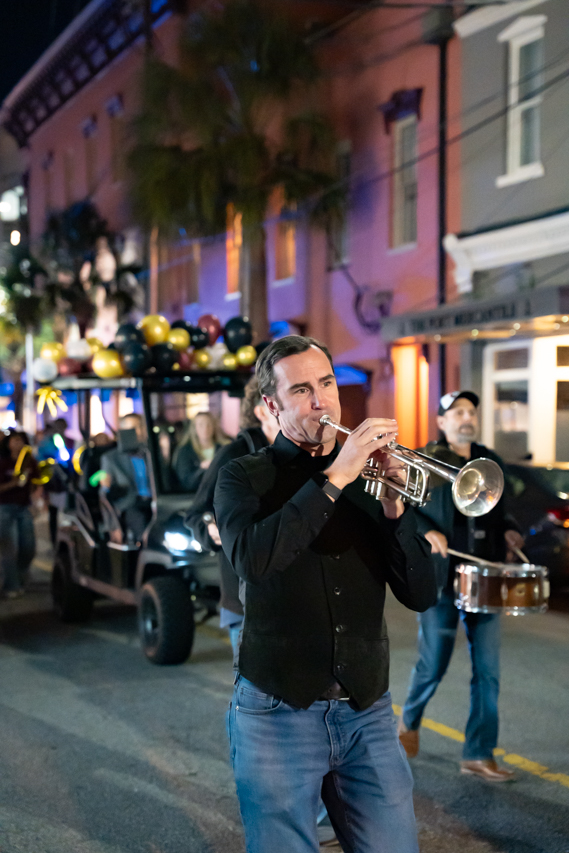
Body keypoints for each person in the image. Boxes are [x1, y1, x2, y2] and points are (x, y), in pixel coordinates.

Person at [214, 335, 436, 853]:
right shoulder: (242, 476)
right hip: (277, 710)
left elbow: (421, 594)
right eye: (302, 390)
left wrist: (395, 508)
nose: (321, 402)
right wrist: (336, 476)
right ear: (272, 405)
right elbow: (254, 561)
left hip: (366, 710)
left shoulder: (369, 479)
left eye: (328, 383)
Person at [397, 390, 525, 783]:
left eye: (471, 411)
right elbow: (404, 510)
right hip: (443, 581)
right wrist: (427, 530)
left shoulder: (489, 461)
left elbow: (501, 512)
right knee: (433, 664)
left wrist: (510, 531)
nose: (466, 417)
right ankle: (408, 721)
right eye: (457, 412)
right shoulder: (427, 459)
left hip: (484, 579)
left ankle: (478, 754)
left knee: (488, 672)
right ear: (441, 421)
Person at [185, 377, 280, 652]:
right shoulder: (235, 454)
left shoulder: (309, 451)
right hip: (246, 602)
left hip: (298, 602)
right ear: (262, 410)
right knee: (254, 679)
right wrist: (211, 529)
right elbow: (197, 513)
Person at [100, 413, 152, 543]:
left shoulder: (151, 454)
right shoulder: (111, 458)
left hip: (154, 501)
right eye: (134, 428)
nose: (139, 431)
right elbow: (104, 494)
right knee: (140, 519)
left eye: (141, 427)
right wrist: (112, 526)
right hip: (130, 505)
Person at [0, 431, 39, 598]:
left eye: (21, 441)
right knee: (8, 547)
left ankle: (22, 574)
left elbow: (37, 482)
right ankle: (12, 585)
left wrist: (36, 500)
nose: (18, 444)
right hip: (4, 507)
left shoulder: (30, 462)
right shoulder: (3, 462)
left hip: (24, 507)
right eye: (14, 441)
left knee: (28, 546)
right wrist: (13, 484)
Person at [174, 411, 228, 492]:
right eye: (201, 425)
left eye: (208, 424)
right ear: (194, 428)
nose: (205, 428)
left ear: (213, 426)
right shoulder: (184, 452)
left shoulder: (224, 448)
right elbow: (186, 482)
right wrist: (202, 469)